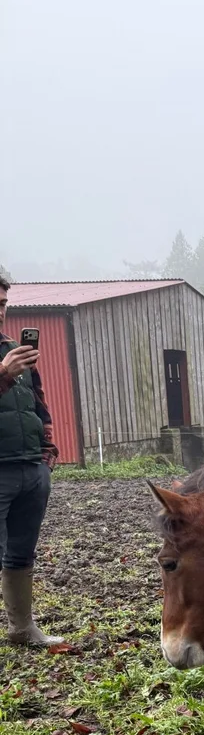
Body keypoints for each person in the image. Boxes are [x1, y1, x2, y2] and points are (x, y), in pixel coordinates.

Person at [0, 275, 63, 646]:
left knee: (22, 550)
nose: (1, 311)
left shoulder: (13, 348)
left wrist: (46, 450)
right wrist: (4, 373)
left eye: (4, 303)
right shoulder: (9, 360)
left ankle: (22, 628)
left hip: (29, 467)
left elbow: (37, 401)